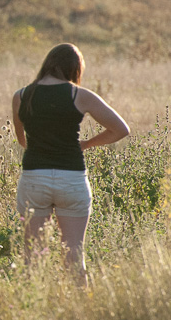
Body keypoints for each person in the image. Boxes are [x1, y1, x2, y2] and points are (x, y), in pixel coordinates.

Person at [11, 43, 129, 286]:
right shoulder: (80, 95)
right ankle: (81, 307)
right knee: (74, 250)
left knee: (32, 253)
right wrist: (86, 144)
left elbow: (22, 140)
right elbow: (121, 129)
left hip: (34, 177)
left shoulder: (22, 96)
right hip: (72, 180)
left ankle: (32, 307)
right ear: (75, 68)